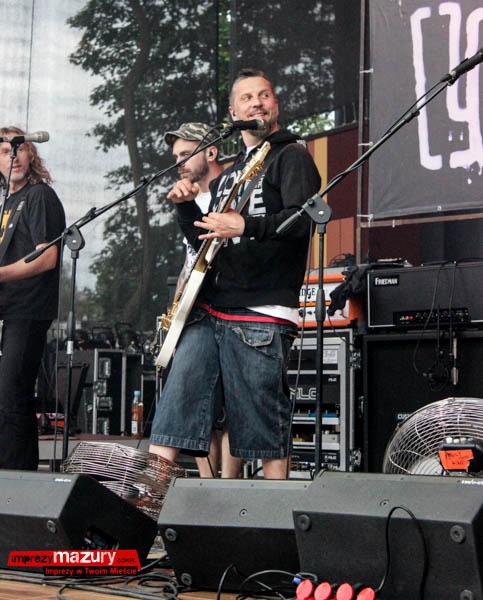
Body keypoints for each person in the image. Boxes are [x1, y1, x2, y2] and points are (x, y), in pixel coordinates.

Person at [150, 68, 321, 479]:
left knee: (263, 430)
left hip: (261, 310)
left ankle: (274, 517)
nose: (256, 102)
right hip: (210, 309)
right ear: (234, 112)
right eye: (247, 97)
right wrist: (185, 208)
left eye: (264, 95)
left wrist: (245, 225)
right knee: (174, 412)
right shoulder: (230, 173)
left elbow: (302, 219)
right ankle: (143, 506)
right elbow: (205, 243)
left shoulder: (290, 155)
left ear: (275, 104)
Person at [163, 121, 242, 478]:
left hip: (231, 308)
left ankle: (229, 487)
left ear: (211, 151)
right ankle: (207, 485)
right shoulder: (187, 198)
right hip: (194, 310)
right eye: (175, 156)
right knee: (197, 406)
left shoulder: (234, 189)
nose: (178, 162)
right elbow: (189, 261)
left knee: (230, 406)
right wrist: (177, 309)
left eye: (185, 153)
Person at [0, 126, 66, 470]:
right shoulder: (7, 202)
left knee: (11, 394)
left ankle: (14, 479)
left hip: (27, 310)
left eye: (20, 148)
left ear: (31, 155)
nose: (12, 156)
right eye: (4, 151)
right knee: (9, 397)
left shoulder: (39, 195)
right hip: (7, 310)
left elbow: (47, 257)